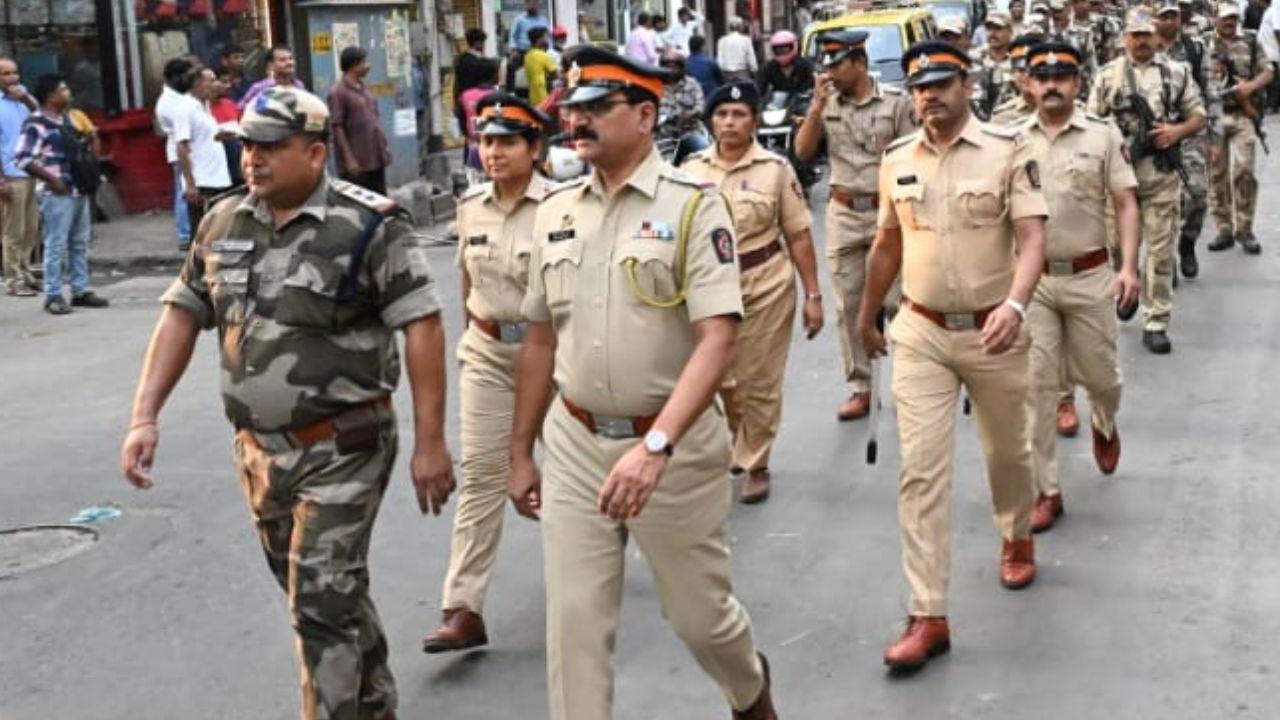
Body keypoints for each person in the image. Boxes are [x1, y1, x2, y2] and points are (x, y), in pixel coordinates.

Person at [120, 87, 456, 720]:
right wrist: (144, 416)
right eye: (248, 145)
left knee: (318, 606)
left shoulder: (370, 226)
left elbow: (424, 325)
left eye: (272, 147)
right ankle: (373, 706)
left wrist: (430, 443)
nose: (254, 159)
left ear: (315, 152)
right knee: (329, 600)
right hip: (259, 454)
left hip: (344, 444)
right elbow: (181, 314)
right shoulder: (224, 222)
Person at [507, 46, 778, 720]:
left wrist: (655, 446)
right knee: (573, 626)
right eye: (573, 108)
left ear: (645, 114)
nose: (579, 120)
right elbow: (540, 339)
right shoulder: (555, 211)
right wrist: (519, 452)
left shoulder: (693, 207)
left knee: (700, 618)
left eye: (598, 107)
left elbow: (718, 338)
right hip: (574, 441)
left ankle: (749, 691)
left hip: (673, 447)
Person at [856, 40, 1048, 672]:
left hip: (995, 329)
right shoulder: (897, 160)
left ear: (966, 84)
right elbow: (887, 242)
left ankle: (1016, 530)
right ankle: (927, 611)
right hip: (922, 332)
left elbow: (1031, 239)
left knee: (1007, 452)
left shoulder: (1007, 150)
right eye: (918, 87)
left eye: (940, 82)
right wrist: (866, 312)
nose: (928, 95)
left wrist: (1015, 306)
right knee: (921, 470)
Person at [422, 93, 553, 654]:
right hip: (489, 352)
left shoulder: (563, 207)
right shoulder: (470, 206)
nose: (493, 152)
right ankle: (463, 606)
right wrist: (477, 336)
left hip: (554, 356)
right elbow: (467, 285)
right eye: (486, 141)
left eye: (507, 141)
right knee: (481, 473)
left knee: (577, 469)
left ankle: (602, 542)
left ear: (536, 147)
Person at [681, 82, 823, 504]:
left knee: (757, 379)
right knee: (721, 379)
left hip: (765, 282)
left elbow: (798, 234)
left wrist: (813, 295)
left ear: (755, 121)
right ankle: (739, 441)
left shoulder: (775, 170)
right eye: (722, 114)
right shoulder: (690, 170)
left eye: (739, 114)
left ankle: (756, 462)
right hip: (707, 287)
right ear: (711, 121)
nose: (729, 122)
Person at [1019, 41, 1141, 534]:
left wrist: (1128, 267)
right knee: (1036, 388)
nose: (1051, 84)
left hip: (1092, 276)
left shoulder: (1102, 135)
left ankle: (1103, 421)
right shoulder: (1010, 140)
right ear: (1027, 83)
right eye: (1041, 76)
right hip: (1035, 284)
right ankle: (1046, 490)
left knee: (1102, 378)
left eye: (1062, 76)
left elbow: (1127, 203)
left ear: (1077, 83)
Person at [793, 30, 915, 421]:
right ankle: (860, 386)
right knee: (848, 304)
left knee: (898, 300)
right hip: (844, 211)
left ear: (859, 63)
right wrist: (815, 108)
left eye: (837, 64)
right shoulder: (825, 104)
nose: (829, 73)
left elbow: (914, 155)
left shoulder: (896, 103)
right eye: (826, 65)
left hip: (889, 213)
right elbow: (803, 151)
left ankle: (909, 379)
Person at [1088, 6, 1207, 354]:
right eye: (1135, 35)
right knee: (1115, 247)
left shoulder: (1176, 73)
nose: (1141, 42)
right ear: (1125, 37)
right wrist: (1114, 144)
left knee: (1159, 249)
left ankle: (1156, 320)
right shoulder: (1108, 76)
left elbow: (1198, 116)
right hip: (1118, 180)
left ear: (1156, 37)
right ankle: (1125, 290)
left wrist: (1176, 131)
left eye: (1146, 35)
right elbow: (1091, 123)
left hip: (1160, 176)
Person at [13, 74, 109, 315]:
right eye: (63, 89)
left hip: (77, 188)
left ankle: (80, 289)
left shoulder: (67, 119)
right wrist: (51, 179)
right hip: (57, 192)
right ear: (50, 95)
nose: (68, 93)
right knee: (56, 244)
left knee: (79, 242)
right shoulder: (36, 123)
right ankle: (53, 294)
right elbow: (22, 157)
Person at [1154, 0, 1217, 278]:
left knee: (1197, 195)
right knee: (1162, 199)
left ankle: (1187, 242)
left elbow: (1211, 91)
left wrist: (1214, 137)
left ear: (1180, 19)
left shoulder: (1196, 48)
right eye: (1164, 16)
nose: (1169, 21)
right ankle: (1167, 259)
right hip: (1155, 131)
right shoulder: (1144, 47)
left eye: (1173, 16)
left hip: (1191, 129)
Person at [1206, 4, 1272, 254]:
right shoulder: (1204, 43)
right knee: (1217, 173)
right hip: (1214, 116)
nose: (1229, 22)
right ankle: (1223, 227)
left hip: (1243, 115)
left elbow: (1268, 71)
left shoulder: (1251, 40)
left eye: (1233, 18)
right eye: (1225, 18)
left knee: (1245, 170)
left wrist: (1250, 87)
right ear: (1216, 19)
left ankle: (1245, 229)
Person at [173, 67, 232, 233]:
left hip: (218, 178)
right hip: (202, 181)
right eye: (211, 80)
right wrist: (190, 183)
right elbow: (181, 146)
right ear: (198, 83)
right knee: (202, 234)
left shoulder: (204, 106)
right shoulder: (186, 108)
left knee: (216, 232)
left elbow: (205, 138)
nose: (215, 84)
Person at [0, 57, 40, 297]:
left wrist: (24, 97)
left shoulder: (22, 101)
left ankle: (26, 271)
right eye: (5, 74)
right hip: (11, 173)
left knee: (31, 228)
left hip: (30, 169)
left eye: (14, 73)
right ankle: (13, 279)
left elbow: (41, 114)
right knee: (13, 230)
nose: (12, 78)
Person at [329, 46, 392, 194]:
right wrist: (349, 159)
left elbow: (374, 122)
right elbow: (337, 127)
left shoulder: (364, 89)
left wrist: (384, 146)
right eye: (364, 62)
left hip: (375, 158)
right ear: (354, 65)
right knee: (360, 206)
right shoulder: (338, 92)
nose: (367, 66)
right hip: (357, 163)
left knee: (380, 201)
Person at [156, 58, 194, 251]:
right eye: (186, 76)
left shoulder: (181, 97)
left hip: (189, 149)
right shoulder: (167, 103)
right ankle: (185, 234)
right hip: (181, 151)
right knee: (183, 192)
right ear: (174, 78)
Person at [972, 11, 1016, 119]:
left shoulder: (1018, 58)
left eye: (998, 29)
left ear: (1010, 31)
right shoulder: (976, 58)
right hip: (981, 122)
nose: (992, 34)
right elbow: (972, 95)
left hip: (1013, 121)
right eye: (989, 29)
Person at [239, 45, 306, 109]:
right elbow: (241, 108)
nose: (289, 62)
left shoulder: (299, 85)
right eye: (282, 60)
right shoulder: (260, 87)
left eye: (290, 58)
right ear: (271, 65)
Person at [209, 68, 244, 186]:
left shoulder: (230, 104)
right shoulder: (203, 110)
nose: (228, 86)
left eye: (229, 82)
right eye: (223, 82)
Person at [757, 31, 815, 100]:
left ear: (794, 46)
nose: (781, 52)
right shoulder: (768, 67)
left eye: (785, 48)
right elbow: (760, 89)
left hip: (802, 104)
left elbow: (813, 86)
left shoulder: (805, 66)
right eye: (777, 49)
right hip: (778, 106)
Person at [658, 51, 705, 132]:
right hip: (662, 132)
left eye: (674, 67)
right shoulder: (655, 85)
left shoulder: (691, 83)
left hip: (690, 130)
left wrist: (691, 114)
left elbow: (701, 106)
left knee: (704, 144)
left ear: (681, 68)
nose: (670, 70)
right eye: (667, 66)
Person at [524, 27, 558, 106]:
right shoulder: (544, 56)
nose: (547, 40)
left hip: (532, 97)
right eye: (545, 37)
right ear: (540, 39)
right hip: (544, 97)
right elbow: (556, 75)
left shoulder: (527, 55)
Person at [718, 17, 759, 82]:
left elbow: (720, 60)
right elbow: (751, 58)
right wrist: (754, 70)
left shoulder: (722, 40)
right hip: (742, 74)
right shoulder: (746, 40)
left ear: (729, 28)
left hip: (727, 75)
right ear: (740, 27)